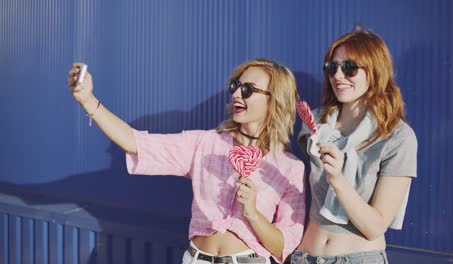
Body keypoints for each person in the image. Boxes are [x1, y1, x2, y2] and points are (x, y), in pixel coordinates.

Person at [68, 58, 305, 264]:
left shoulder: (289, 168)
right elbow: (135, 142)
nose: (235, 94)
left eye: (248, 90)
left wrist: (253, 213)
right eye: (235, 86)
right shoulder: (205, 143)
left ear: (274, 100)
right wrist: (88, 100)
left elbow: (283, 246)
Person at [293, 30, 417, 263]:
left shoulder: (398, 137)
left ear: (375, 71)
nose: (338, 75)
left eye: (350, 67)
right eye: (332, 67)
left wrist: (338, 179)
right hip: (306, 256)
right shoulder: (316, 124)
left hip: (358, 257)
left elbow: (375, 226)